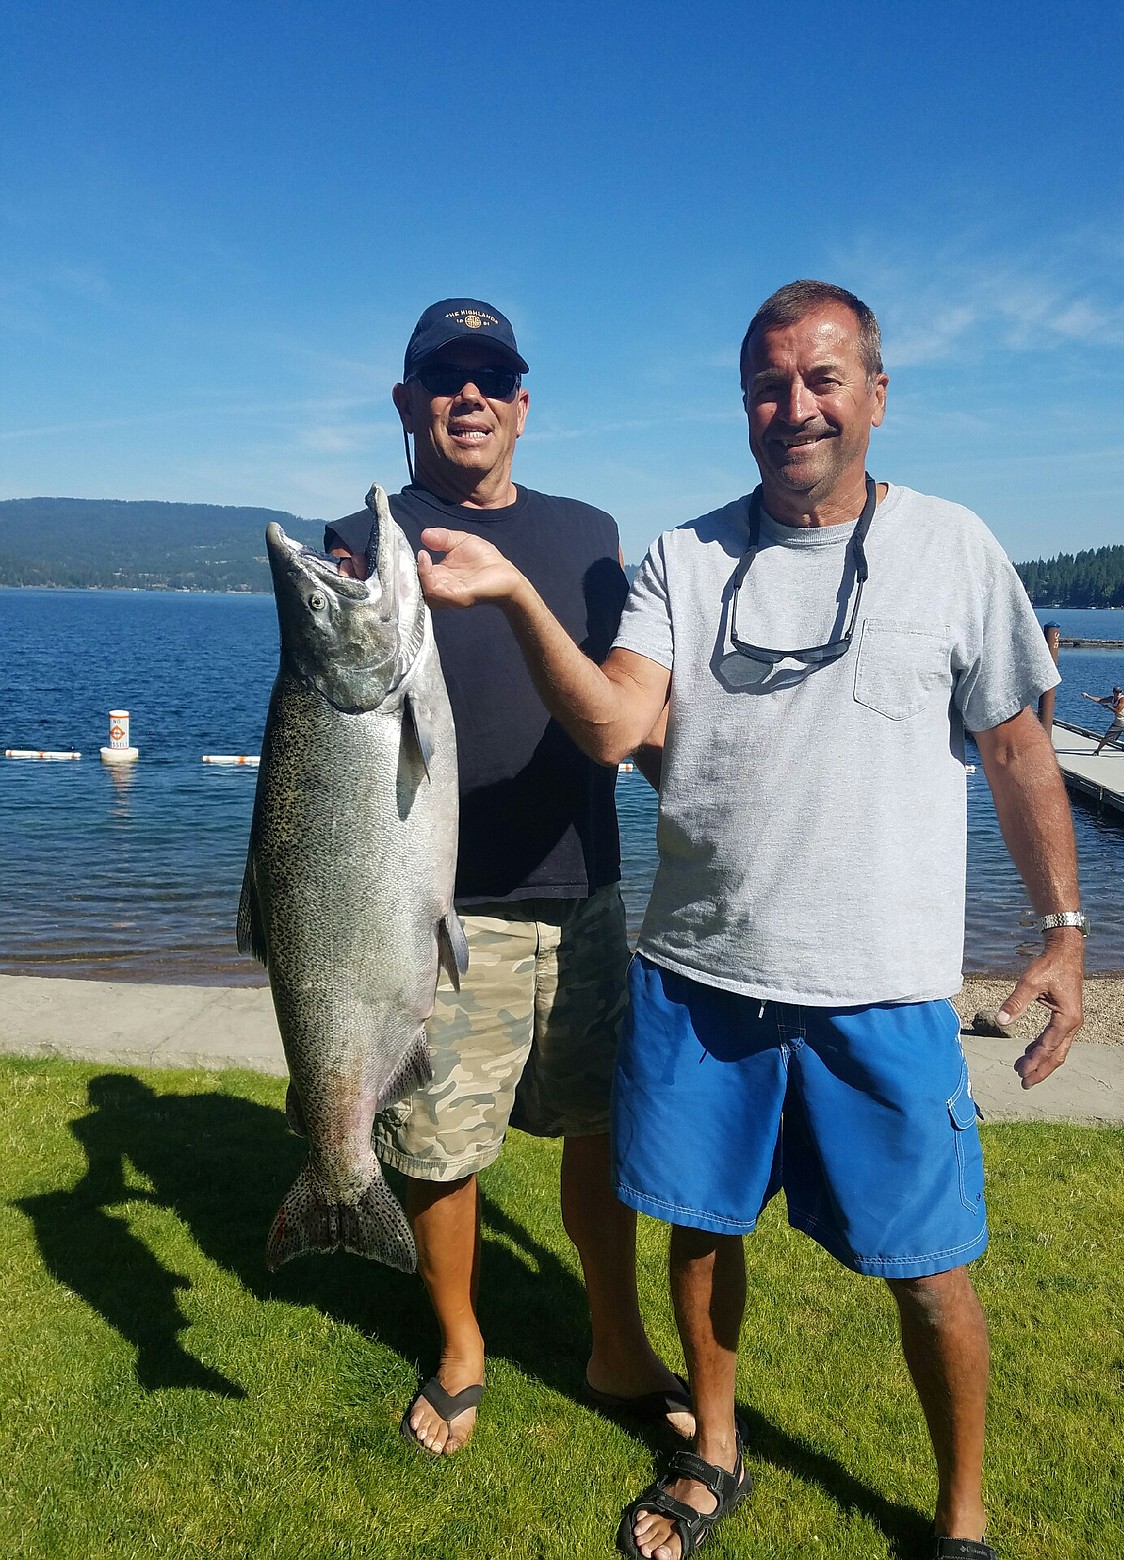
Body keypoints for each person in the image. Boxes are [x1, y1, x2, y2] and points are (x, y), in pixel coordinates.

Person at [411, 281, 1086, 1560]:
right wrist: (509, 593)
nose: (796, 408)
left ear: (876, 395)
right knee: (701, 1233)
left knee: (932, 1270)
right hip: (699, 978)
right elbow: (616, 726)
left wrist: (1062, 925)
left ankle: (962, 1519)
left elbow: (1015, 747)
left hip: (881, 989)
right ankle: (715, 1453)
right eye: (769, 386)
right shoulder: (684, 556)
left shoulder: (954, 549)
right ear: (743, 408)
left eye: (823, 380)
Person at [323, 298, 691, 1457]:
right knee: (439, 1145)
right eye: (444, 377)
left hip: (583, 890)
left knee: (598, 1129)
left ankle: (615, 1338)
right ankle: (461, 1341)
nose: (468, 395)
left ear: (524, 407)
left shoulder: (590, 533)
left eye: (492, 378)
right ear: (407, 404)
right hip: (436, 909)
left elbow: (626, 696)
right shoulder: (365, 538)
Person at [1084, 685, 1124, 756]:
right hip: (1117, 723)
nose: (1118, 693)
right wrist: (1088, 696)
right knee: (1106, 738)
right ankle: (1097, 751)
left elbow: (1117, 710)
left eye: (1120, 692)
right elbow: (1100, 700)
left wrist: (1108, 707)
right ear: (1113, 692)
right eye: (1117, 692)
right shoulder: (1112, 699)